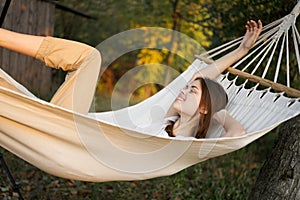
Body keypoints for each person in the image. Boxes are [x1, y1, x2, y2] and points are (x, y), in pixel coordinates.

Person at [0, 19, 262, 139]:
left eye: (192, 92)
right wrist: (241, 51)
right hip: (70, 126)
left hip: (72, 138)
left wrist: (215, 111)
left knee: (91, 58)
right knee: (90, 58)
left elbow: (237, 133)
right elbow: (198, 76)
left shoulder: (182, 145)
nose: (183, 91)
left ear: (205, 107)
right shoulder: (168, 119)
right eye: (188, 89)